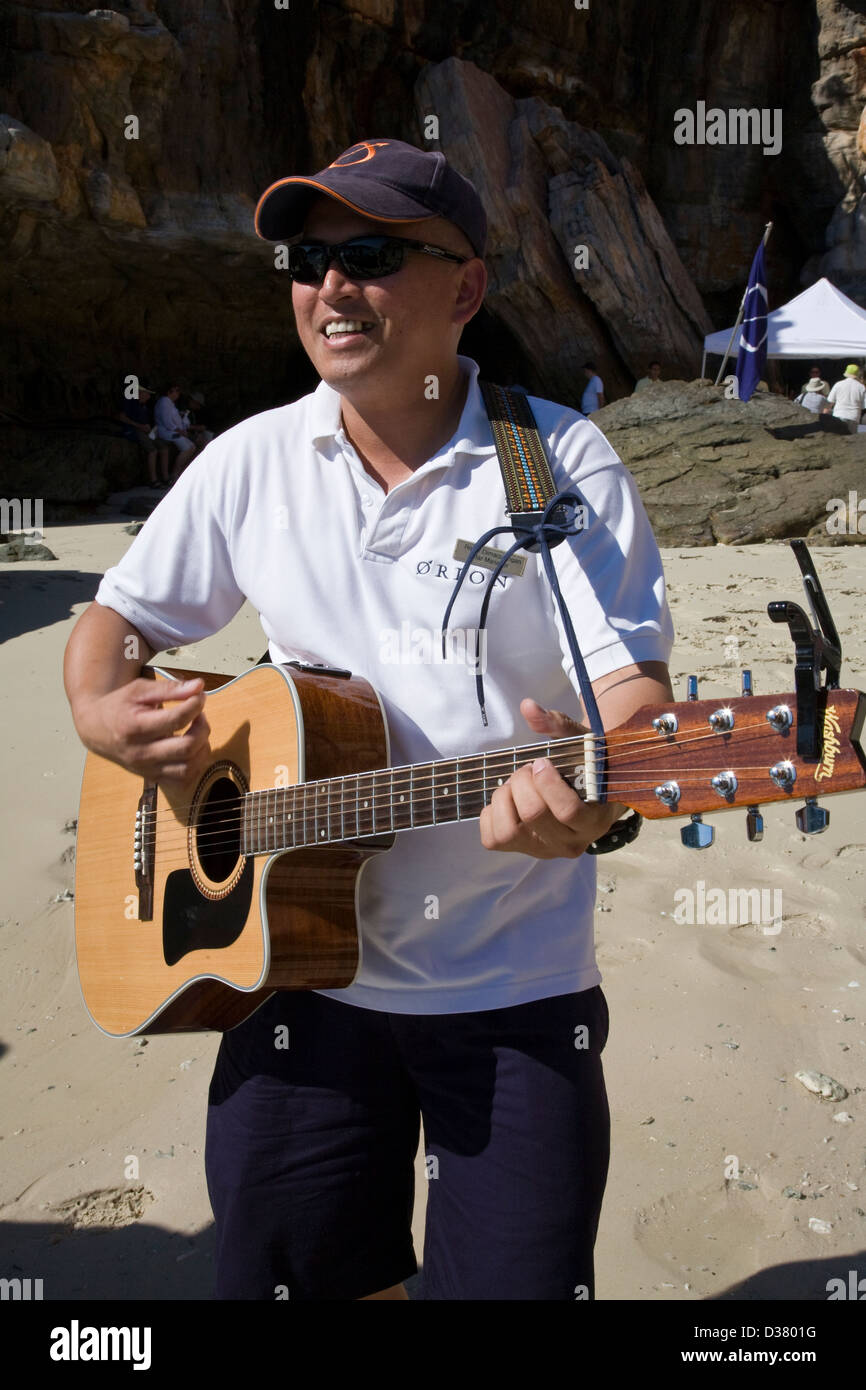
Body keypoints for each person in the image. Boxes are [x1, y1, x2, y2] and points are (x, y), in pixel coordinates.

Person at [63, 137, 673, 1302]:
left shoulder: (555, 460)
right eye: (307, 257)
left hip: (511, 994)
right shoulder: (251, 459)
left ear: (466, 288)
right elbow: (116, 616)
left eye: (371, 254)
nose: (330, 286)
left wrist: (593, 798)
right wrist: (98, 703)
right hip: (294, 985)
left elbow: (630, 696)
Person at [115, 383, 165, 487]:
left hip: (144, 431)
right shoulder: (130, 402)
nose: (149, 397)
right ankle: (153, 480)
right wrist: (139, 426)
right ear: (140, 393)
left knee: (163, 446)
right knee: (152, 450)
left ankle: (166, 477)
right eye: (147, 394)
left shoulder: (143, 406)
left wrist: (148, 428)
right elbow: (121, 417)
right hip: (132, 430)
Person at [154, 385, 200, 478]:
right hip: (168, 432)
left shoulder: (170, 403)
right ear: (169, 392)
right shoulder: (164, 402)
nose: (178, 393)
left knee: (192, 447)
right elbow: (167, 422)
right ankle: (175, 474)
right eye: (176, 391)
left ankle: (180, 472)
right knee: (187, 448)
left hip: (174, 431)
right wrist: (180, 431)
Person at [826, 363, 866, 434]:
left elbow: (830, 402)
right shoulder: (861, 387)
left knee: (839, 439)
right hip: (854, 417)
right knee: (851, 441)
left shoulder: (838, 384)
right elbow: (863, 406)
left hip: (839, 415)